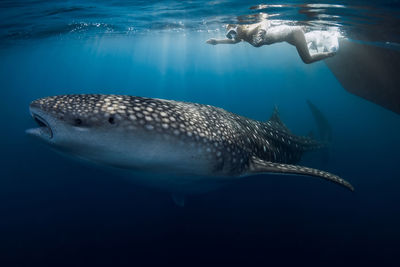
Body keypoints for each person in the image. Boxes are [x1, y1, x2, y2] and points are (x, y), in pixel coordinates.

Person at [206, 20, 338, 64]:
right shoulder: (243, 36)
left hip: (293, 32)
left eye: (233, 31)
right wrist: (216, 42)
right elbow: (233, 42)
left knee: (307, 59)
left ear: (238, 26)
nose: (233, 35)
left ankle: (330, 53)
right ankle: (324, 35)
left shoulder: (250, 28)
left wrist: (262, 31)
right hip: (288, 37)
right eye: (230, 34)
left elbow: (266, 21)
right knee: (309, 40)